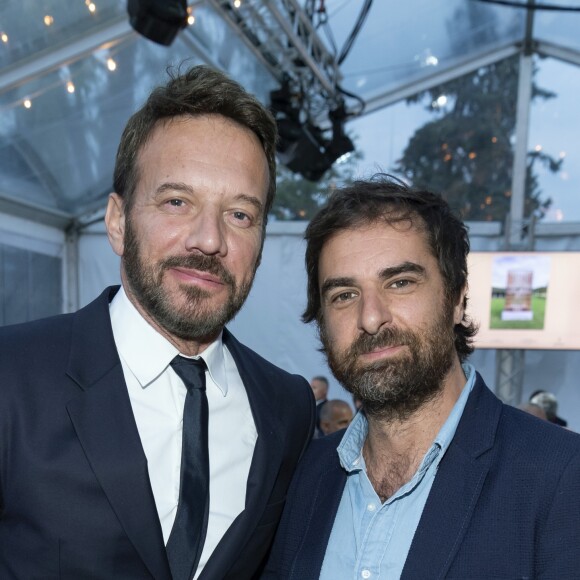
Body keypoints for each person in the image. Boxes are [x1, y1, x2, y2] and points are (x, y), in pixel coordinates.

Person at [0, 65, 315, 580]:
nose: (209, 240)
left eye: (240, 214)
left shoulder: (288, 407)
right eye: (177, 202)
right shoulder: (11, 375)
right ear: (118, 222)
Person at [264, 175, 580, 579]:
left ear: (456, 299)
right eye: (344, 294)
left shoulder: (560, 476)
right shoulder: (305, 477)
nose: (371, 317)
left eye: (400, 283)